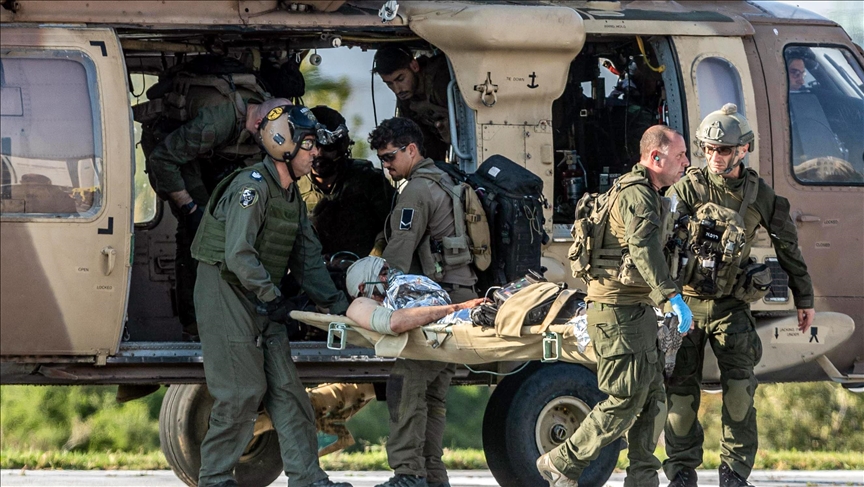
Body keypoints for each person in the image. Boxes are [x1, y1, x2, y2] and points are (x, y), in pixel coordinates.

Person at [190, 104, 352, 487]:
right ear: (283, 144)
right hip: (225, 291)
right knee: (241, 392)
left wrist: (339, 307)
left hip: (262, 297)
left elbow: (309, 258)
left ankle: (308, 479)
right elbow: (238, 255)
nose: (316, 154)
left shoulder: (290, 197)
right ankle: (214, 479)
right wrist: (273, 297)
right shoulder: (252, 188)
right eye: (309, 144)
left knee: (288, 391)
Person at [663, 104, 815, 487]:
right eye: (709, 149)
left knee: (739, 392)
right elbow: (655, 240)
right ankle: (681, 472)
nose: (715, 157)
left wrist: (804, 298)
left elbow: (788, 248)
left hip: (732, 305)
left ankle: (734, 473)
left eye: (724, 150)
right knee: (680, 395)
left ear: (743, 149)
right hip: (686, 305)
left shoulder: (760, 195)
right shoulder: (687, 188)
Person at [536, 125, 693, 487]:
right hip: (618, 316)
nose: (686, 161)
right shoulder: (638, 196)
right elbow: (643, 250)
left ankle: (642, 480)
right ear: (656, 157)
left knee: (652, 399)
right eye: (680, 155)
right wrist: (671, 296)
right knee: (624, 400)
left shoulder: (643, 191)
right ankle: (563, 461)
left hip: (634, 312)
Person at [367, 117, 478, 487]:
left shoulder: (415, 190)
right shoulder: (447, 180)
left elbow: (398, 254)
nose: (386, 165)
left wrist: (374, 296)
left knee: (406, 384)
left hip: (436, 302)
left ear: (411, 149)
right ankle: (432, 474)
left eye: (389, 157)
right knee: (433, 394)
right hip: (459, 297)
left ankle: (408, 474)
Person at [141, 61, 271, 339]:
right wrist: (189, 206)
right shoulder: (216, 123)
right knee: (196, 230)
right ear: (259, 124)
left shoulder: (267, 116)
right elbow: (162, 159)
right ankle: (194, 324)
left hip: (204, 151)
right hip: (167, 143)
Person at [297, 105, 395, 258]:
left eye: (327, 148)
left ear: (342, 147)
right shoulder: (293, 185)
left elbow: (394, 224)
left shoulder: (367, 179)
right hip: (313, 270)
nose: (319, 154)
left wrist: (375, 255)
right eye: (313, 146)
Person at [343, 256, 485, 336]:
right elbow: (394, 322)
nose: (392, 276)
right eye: (384, 273)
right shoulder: (359, 304)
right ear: (362, 288)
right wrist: (458, 307)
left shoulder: (390, 295)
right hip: (416, 357)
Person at [373, 47, 452, 161]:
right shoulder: (406, 96)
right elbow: (421, 141)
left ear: (414, 66)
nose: (397, 90)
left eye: (400, 79)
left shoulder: (441, 80)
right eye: (389, 84)